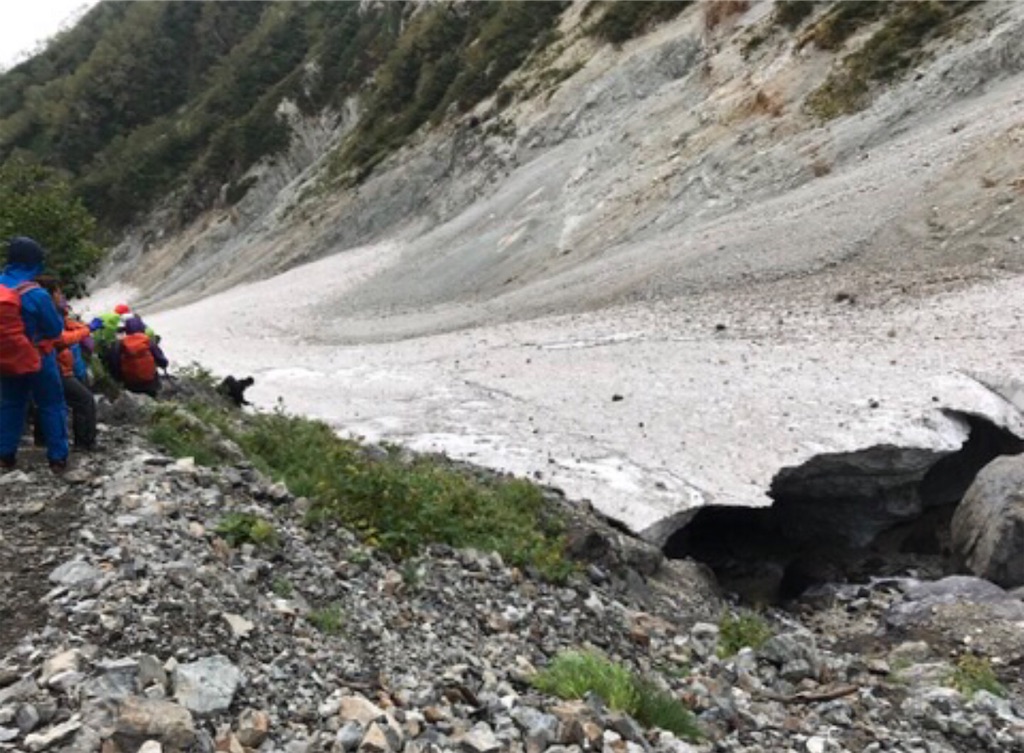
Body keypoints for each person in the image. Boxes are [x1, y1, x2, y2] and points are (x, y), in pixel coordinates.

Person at [0, 237, 69, 472]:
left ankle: (5, 454)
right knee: (51, 404)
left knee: (11, 404)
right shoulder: (36, 294)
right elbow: (54, 330)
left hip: (6, 357)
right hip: (39, 357)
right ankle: (57, 458)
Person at [37, 277, 97, 451]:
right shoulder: (49, 313)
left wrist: (84, 328)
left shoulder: (40, 311)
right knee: (84, 400)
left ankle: (42, 440)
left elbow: (67, 328)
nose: (60, 295)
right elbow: (61, 339)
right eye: (58, 292)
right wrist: (88, 329)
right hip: (56, 367)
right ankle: (85, 443)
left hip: (46, 365)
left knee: (46, 401)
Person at [106, 315, 168, 397]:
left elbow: (114, 364)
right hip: (150, 381)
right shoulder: (147, 341)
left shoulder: (119, 344)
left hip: (131, 383)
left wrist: (119, 378)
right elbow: (162, 360)